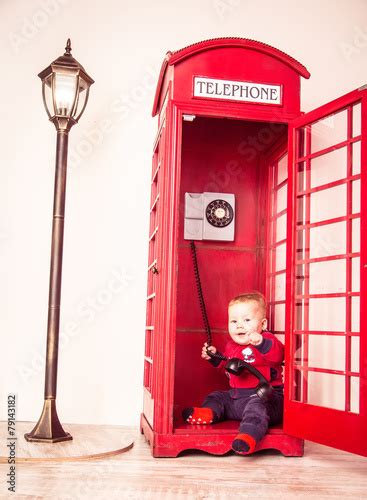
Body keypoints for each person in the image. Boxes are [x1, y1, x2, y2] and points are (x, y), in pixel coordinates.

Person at [182, 291, 284, 455]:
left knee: (256, 408)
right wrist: (214, 357)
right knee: (217, 396)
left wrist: (261, 342)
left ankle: (248, 435)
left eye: (247, 320)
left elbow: (278, 355)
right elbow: (228, 368)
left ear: (263, 324)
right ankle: (209, 413)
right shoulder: (231, 346)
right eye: (234, 321)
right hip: (238, 398)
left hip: (266, 398)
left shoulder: (267, 340)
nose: (239, 325)